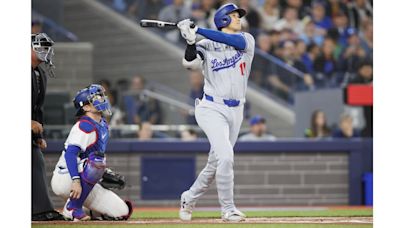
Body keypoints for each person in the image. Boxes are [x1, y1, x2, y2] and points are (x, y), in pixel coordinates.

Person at [176, 3, 255, 222]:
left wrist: (197, 29)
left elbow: (234, 41)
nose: (238, 18)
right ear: (222, 20)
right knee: (226, 157)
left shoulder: (246, 40)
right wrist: (191, 42)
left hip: (236, 109)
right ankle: (228, 209)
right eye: (233, 15)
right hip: (211, 107)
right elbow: (189, 64)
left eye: (238, 15)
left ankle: (189, 197)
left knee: (215, 163)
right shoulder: (206, 44)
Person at [50, 85, 133, 221]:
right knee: (97, 163)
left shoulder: (103, 124)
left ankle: (85, 208)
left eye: (101, 96)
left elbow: (92, 156)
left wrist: (102, 174)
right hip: (66, 177)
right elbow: (70, 155)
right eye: (95, 98)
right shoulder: (84, 126)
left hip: (83, 174)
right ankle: (72, 208)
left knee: (121, 212)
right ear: (86, 107)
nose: (101, 99)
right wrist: (76, 180)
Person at [31, 33, 65, 221]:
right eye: (40, 46)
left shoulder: (39, 73)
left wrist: (37, 136)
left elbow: (37, 107)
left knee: (37, 161)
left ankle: (39, 210)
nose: (45, 50)